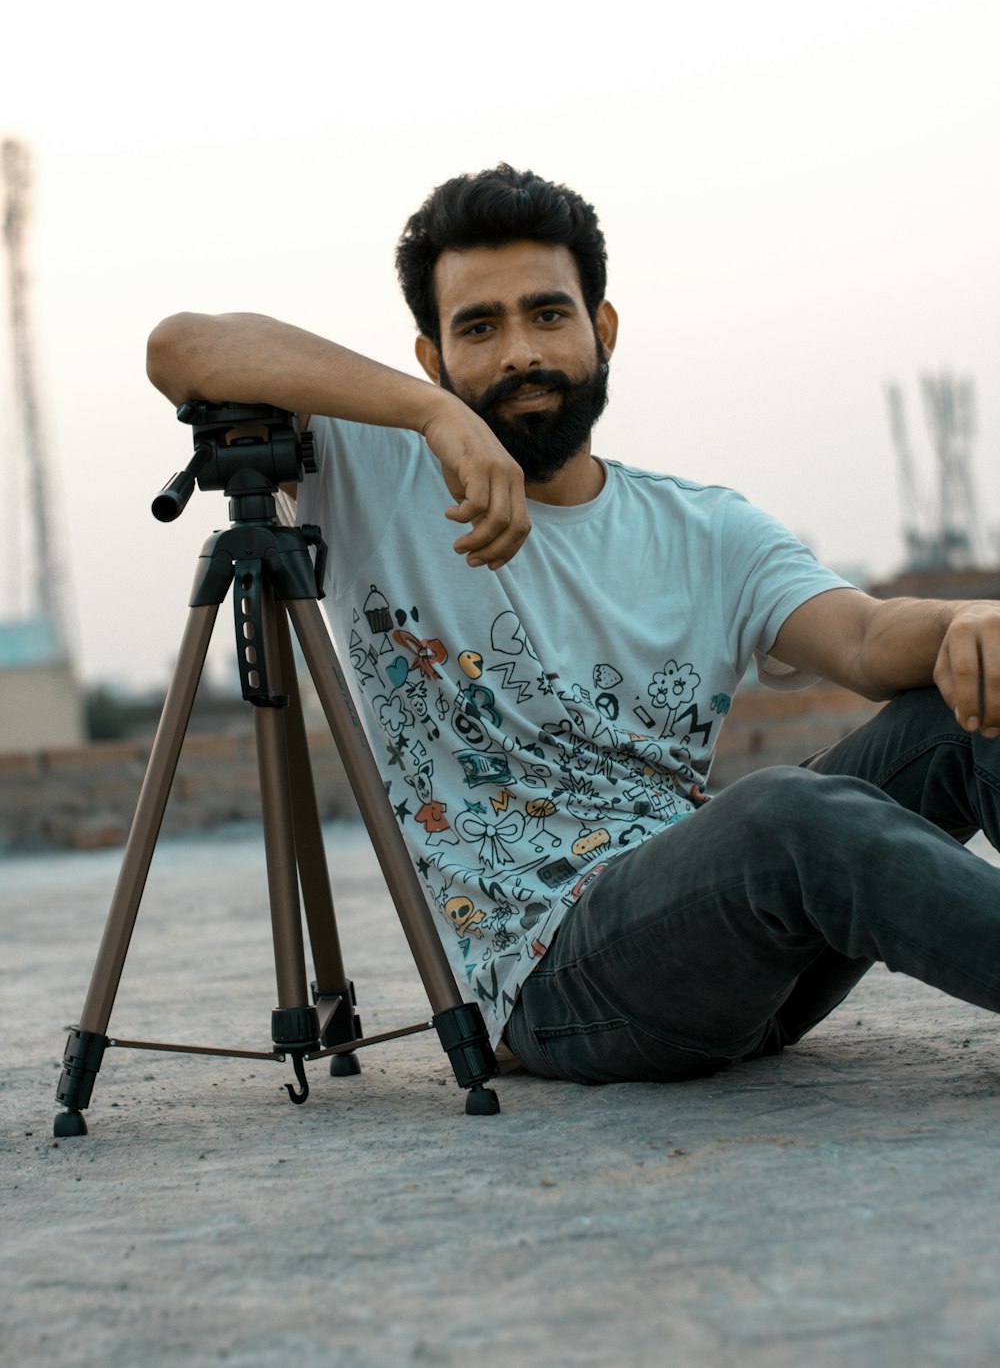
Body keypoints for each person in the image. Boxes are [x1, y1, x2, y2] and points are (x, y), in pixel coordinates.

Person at [147, 162, 1000, 1085]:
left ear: (603, 330)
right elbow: (182, 347)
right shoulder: (372, 469)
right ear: (432, 357)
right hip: (555, 985)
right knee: (785, 814)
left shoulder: (704, 529)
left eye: (547, 314)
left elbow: (869, 641)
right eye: (479, 327)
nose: (520, 351)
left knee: (974, 698)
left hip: (739, 953)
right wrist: (434, 418)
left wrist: (972, 620)